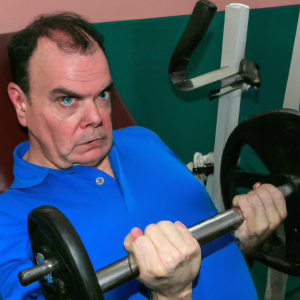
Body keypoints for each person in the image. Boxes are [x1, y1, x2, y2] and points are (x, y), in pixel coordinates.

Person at [0, 13, 286, 300]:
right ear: (21, 103)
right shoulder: (9, 220)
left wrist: (246, 240)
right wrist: (172, 295)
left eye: (102, 94)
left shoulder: (143, 139)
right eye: (67, 99)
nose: (96, 119)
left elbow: (215, 258)